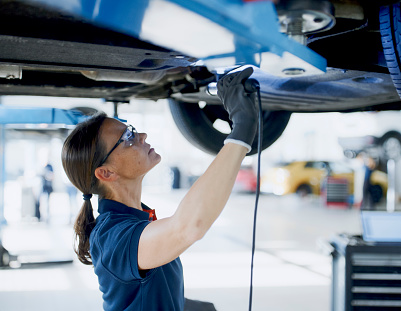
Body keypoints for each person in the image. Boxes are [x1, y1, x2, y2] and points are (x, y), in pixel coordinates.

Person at [61, 67, 258, 311]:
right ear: (106, 173)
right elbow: (188, 227)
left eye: (131, 129)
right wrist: (242, 128)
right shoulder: (113, 237)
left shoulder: (136, 219)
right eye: (128, 138)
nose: (141, 135)